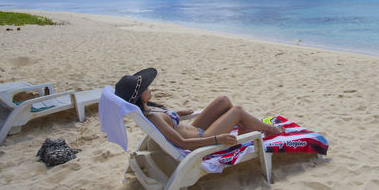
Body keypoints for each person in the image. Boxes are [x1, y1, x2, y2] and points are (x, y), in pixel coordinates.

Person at [114, 68, 284, 150]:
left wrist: (177, 113)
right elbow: (181, 143)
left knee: (223, 100)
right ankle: (271, 129)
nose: (149, 87)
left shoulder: (148, 109)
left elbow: (168, 123)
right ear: (137, 97)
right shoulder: (152, 118)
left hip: (195, 129)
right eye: (145, 87)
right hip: (202, 139)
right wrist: (218, 139)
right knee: (237, 110)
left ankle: (244, 126)